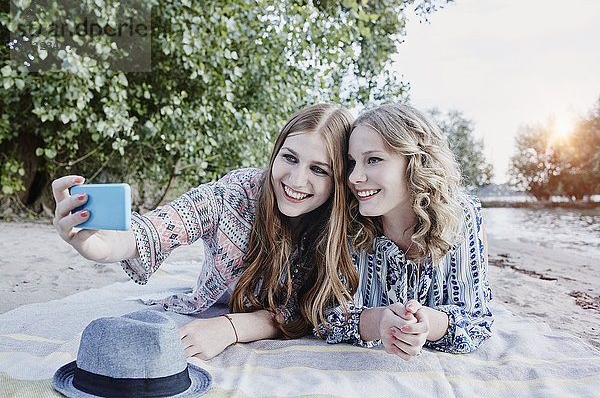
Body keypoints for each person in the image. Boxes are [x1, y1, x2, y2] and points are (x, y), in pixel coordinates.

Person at [52, 103, 359, 360]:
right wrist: (109, 244)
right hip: (221, 297)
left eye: (319, 169)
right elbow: (170, 222)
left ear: (341, 179)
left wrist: (230, 328)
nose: (295, 179)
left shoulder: (344, 229)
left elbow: (312, 314)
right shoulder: (237, 194)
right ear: (276, 153)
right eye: (290, 158)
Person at [317, 103, 493, 358]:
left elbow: (477, 320)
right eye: (352, 163)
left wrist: (424, 324)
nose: (354, 177)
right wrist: (379, 321)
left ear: (416, 162)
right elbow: (325, 315)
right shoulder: (347, 220)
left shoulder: (462, 217)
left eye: (373, 160)